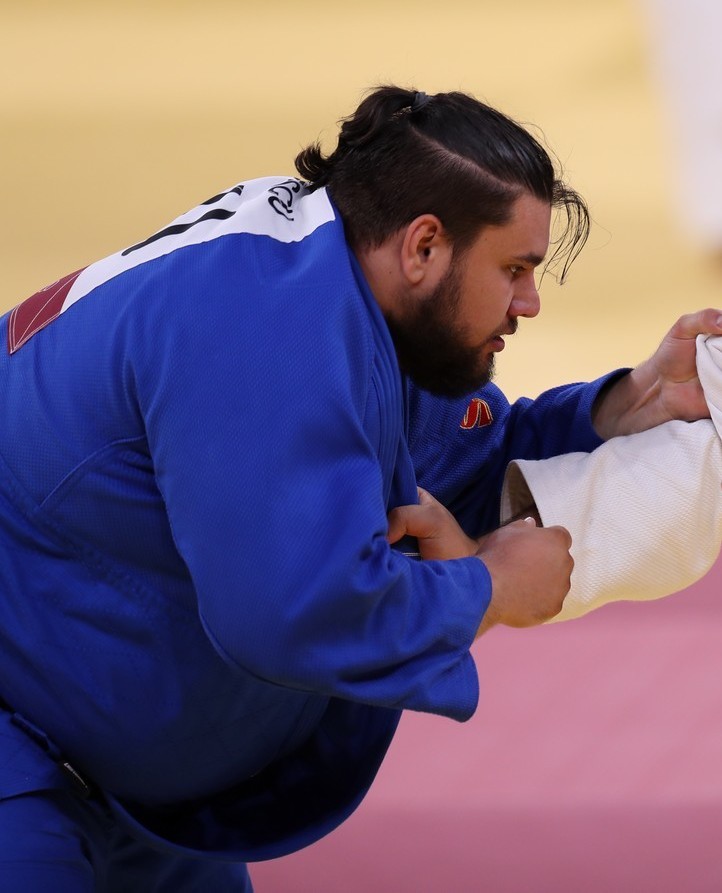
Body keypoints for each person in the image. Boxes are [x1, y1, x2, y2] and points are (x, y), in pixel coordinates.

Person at [0, 85, 718, 892]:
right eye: (514, 269)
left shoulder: (349, 286)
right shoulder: (264, 333)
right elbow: (291, 611)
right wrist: (488, 588)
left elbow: (465, 456)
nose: (530, 302)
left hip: (128, 777)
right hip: (22, 746)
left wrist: (636, 400)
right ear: (424, 246)